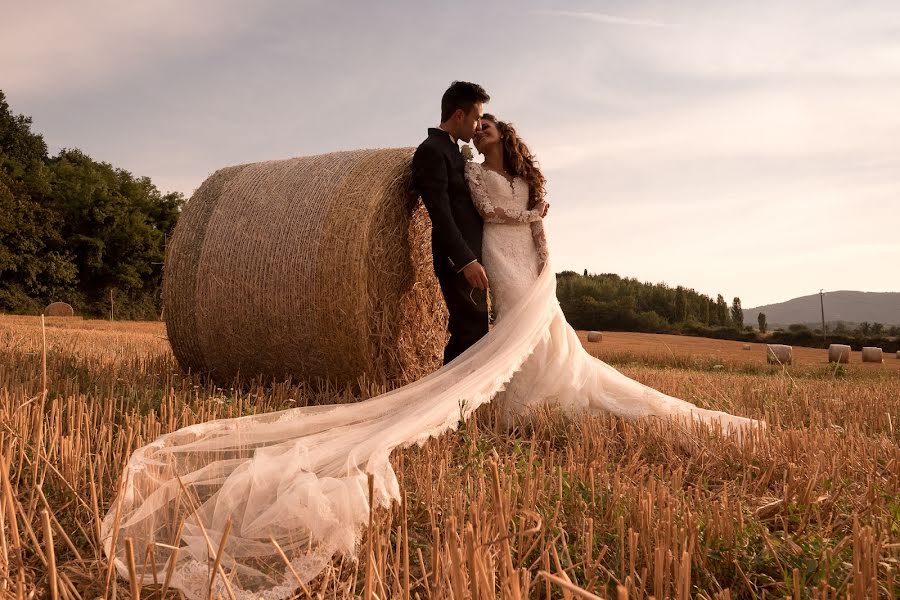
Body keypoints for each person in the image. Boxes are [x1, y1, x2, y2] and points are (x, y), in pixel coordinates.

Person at [100, 105, 762, 600]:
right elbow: (458, 200)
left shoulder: (525, 173)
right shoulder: (474, 176)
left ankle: (530, 397)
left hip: (533, 268)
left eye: (490, 130)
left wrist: (542, 244)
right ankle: (516, 400)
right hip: (497, 262)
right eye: (479, 131)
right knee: (514, 346)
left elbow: (532, 222)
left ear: (506, 136)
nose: (484, 136)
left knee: (557, 351)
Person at [412, 81, 491, 364]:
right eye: (477, 117)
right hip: (456, 261)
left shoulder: (452, 151)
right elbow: (440, 213)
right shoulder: (432, 150)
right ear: (459, 115)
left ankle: (461, 401)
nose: (478, 125)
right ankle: (449, 401)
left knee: (474, 330)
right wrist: (465, 260)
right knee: (470, 330)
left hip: (470, 257)